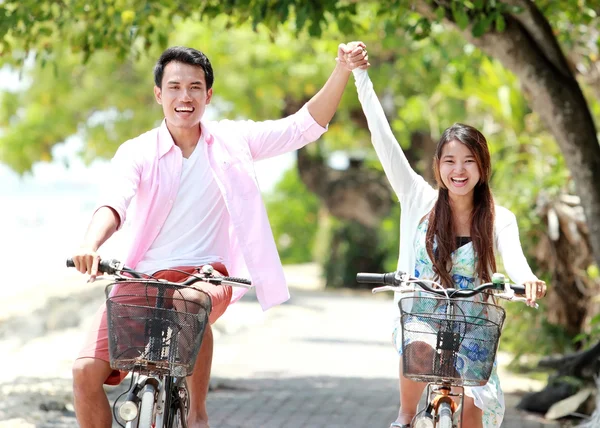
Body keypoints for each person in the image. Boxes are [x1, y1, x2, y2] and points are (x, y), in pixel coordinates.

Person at [70, 42, 369, 428]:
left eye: (195, 87)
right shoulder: (137, 151)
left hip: (207, 274)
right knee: (84, 373)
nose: (185, 97)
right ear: (159, 94)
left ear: (208, 95)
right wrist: (90, 244)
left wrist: (342, 68)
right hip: (140, 276)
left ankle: (196, 415)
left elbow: (302, 126)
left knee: (190, 302)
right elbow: (114, 203)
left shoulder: (232, 141)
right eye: (174, 87)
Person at [351, 66, 547, 428]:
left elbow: (516, 260)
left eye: (469, 161)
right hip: (421, 318)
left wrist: (528, 279)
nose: (459, 170)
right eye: (450, 161)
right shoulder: (417, 199)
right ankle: (406, 417)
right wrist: (361, 76)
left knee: (476, 413)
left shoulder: (497, 218)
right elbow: (383, 139)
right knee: (419, 346)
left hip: (475, 328)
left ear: (482, 167)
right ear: (438, 166)